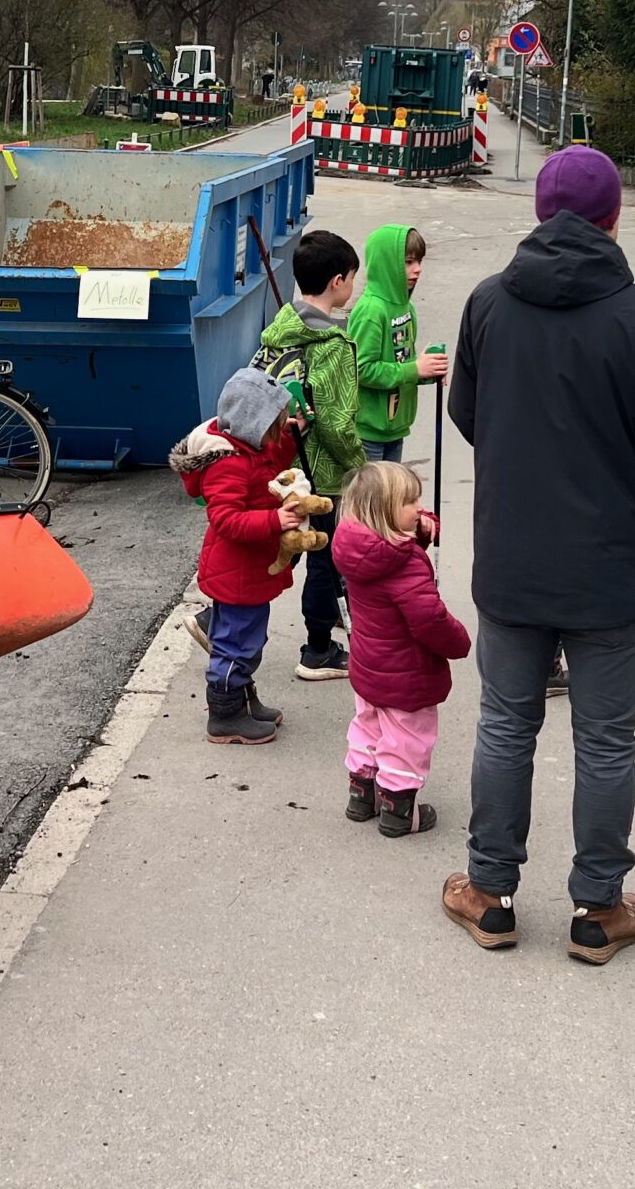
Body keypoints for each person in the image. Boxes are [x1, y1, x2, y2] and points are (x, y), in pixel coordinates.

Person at [443, 146, 635, 964]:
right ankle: (598, 908)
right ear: (613, 217)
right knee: (606, 739)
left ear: (538, 213)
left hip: (513, 557)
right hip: (611, 564)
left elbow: (469, 416)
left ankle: (490, 894)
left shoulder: (488, 303)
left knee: (504, 723)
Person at [170, 367, 312, 745]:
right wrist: (274, 520)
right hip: (237, 572)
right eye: (273, 428)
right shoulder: (227, 463)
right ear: (253, 424)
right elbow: (226, 520)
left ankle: (242, 700)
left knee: (247, 638)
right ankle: (225, 714)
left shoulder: (250, 447)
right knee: (235, 644)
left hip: (248, 570)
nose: (275, 436)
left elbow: (270, 464)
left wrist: (291, 436)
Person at [331, 459, 468, 837]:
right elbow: (429, 619)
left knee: (368, 724)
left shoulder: (356, 549)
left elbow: (392, 553)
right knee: (407, 737)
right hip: (407, 672)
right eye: (410, 502)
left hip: (369, 664)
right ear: (385, 512)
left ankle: (362, 793)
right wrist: (459, 642)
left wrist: (420, 531)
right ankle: (399, 808)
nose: (420, 509)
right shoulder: (405, 566)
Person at [254, 229, 366, 681]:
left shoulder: (280, 330)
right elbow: (337, 423)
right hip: (320, 472)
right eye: (352, 278)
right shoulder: (333, 347)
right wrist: (360, 466)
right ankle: (318, 648)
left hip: (279, 462)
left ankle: (219, 614)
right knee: (324, 555)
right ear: (338, 281)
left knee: (284, 546)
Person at [349, 224, 448, 465]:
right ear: (386, 264)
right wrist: (415, 369)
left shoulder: (406, 307)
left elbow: (402, 362)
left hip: (395, 426)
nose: (417, 269)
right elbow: (360, 369)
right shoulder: (372, 311)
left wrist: (426, 370)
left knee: (393, 489)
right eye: (408, 262)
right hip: (369, 431)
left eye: (419, 261)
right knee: (374, 490)